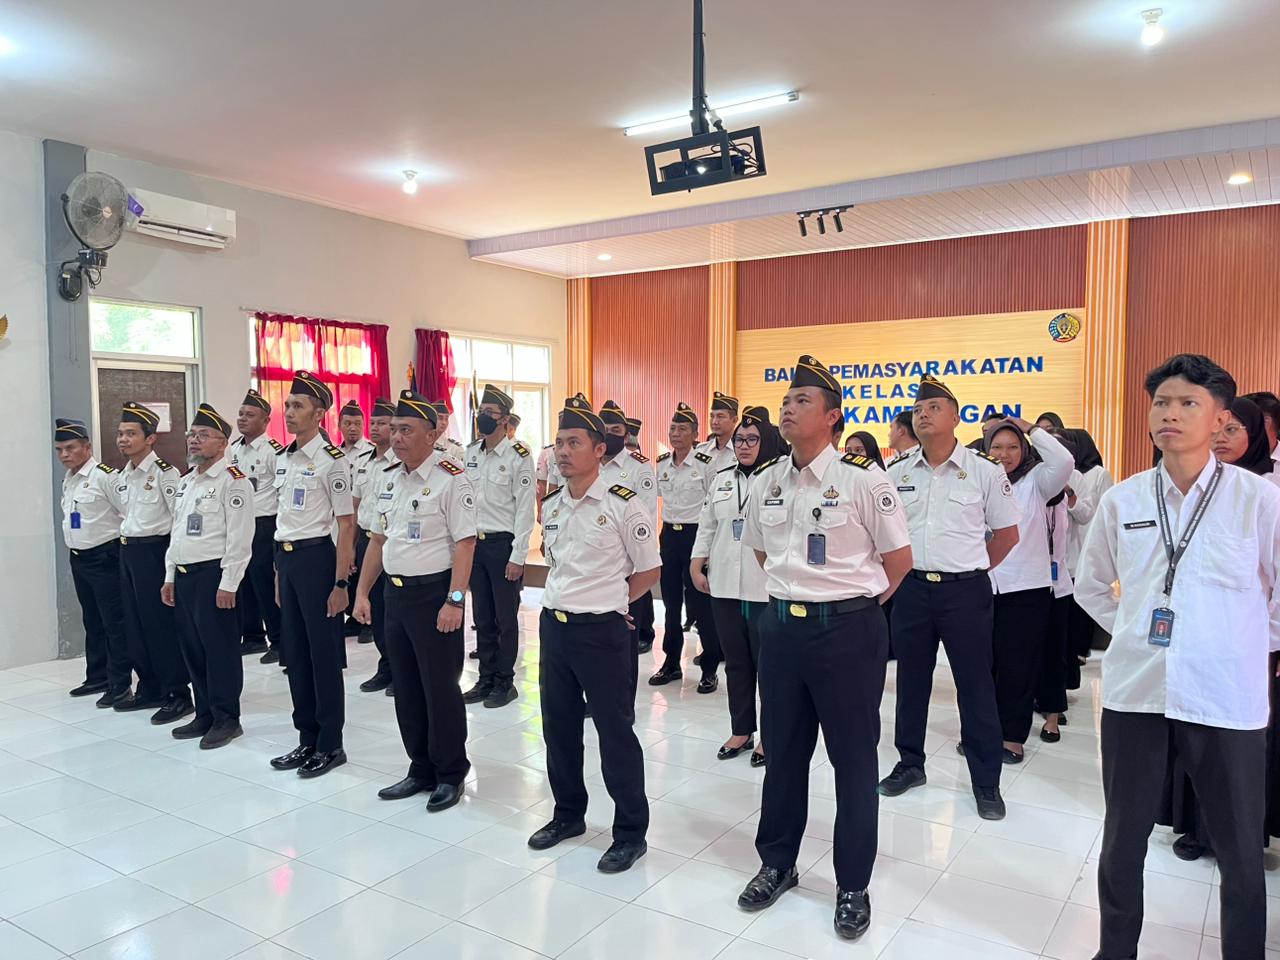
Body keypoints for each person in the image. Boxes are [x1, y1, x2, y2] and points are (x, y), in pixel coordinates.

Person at [1075, 353, 1280, 960]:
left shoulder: (1257, 500)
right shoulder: (1126, 500)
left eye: (1188, 403)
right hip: (1139, 691)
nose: (1170, 413)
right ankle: (1115, 951)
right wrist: (1135, 627)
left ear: (1220, 420)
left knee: (1241, 849)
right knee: (1122, 841)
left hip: (1226, 698)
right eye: (1162, 402)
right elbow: (1091, 585)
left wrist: (1242, 643)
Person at [736, 355, 912, 941]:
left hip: (849, 633)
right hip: (782, 630)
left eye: (803, 401)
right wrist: (798, 600)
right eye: (787, 400)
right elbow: (762, 552)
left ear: (833, 417)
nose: (788, 408)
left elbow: (899, 562)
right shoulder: (766, 481)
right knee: (781, 753)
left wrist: (849, 609)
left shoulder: (863, 479)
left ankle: (852, 883)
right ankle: (777, 862)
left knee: (853, 762)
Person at [526, 395, 660, 873]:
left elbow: (649, 569)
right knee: (558, 728)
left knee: (614, 733)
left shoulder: (624, 504)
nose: (562, 452)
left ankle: (630, 831)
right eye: (559, 443)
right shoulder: (554, 504)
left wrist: (616, 602)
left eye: (573, 443)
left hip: (603, 632)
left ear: (598, 450)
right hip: (555, 627)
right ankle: (568, 815)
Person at [879, 374, 1019, 820]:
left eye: (933, 407)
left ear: (956, 418)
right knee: (911, 681)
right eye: (919, 409)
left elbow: (1007, 535)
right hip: (913, 589)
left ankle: (986, 781)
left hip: (965, 591)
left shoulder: (983, 469)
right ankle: (910, 763)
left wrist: (971, 568)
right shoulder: (895, 472)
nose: (923, 414)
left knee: (975, 685)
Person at [1161, 395, 1279, 862]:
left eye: (1234, 430)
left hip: (1249, 648)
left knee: (1236, 752)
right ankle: (1194, 828)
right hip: (1188, 644)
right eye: (1219, 429)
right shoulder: (1186, 491)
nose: (1223, 439)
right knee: (1189, 736)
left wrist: (1261, 639)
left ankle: (1240, 837)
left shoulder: (1265, 494)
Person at [354, 390, 477, 810]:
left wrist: (455, 600)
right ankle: (419, 767)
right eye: (394, 429)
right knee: (405, 686)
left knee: (440, 688)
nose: (397, 436)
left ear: (432, 433)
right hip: (395, 594)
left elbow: (465, 544)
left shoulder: (451, 479)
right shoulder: (388, 477)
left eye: (407, 430)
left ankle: (449, 773)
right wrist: (363, 592)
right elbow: (377, 539)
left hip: (434, 595)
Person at [269, 371, 356, 779]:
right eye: (287, 405)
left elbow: (346, 524)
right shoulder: (285, 459)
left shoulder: (331, 463)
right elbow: (283, 520)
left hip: (318, 561)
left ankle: (330, 744)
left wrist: (341, 583)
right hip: (288, 562)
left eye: (298, 406)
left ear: (320, 414)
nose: (289, 412)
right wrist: (276, 573)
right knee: (296, 657)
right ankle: (305, 738)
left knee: (322, 658)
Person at [691, 405, 780, 767]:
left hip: (765, 588)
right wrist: (697, 562)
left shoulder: (779, 477)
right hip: (725, 585)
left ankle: (771, 737)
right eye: (740, 439)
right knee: (737, 664)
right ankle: (742, 730)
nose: (743, 446)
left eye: (752, 439)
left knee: (768, 667)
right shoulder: (723, 478)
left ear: (767, 441)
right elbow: (707, 523)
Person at [981, 417, 1074, 762]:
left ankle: (1012, 736)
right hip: (982, 586)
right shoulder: (976, 480)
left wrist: (1032, 428)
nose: (1004, 454)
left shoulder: (1038, 481)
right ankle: (980, 732)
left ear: (1025, 449)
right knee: (981, 667)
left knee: (1017, 667)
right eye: (996, 447)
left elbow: (1064, 461)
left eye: (1013, 446)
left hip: (1027, 590)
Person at [162, 403, 254, 749]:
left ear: (222, 444)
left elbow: (240, 538)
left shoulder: (234, 483)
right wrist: (170, 575)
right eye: (192, 435)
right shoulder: (187, 482)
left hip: (213, 577)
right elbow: (176, 533)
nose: (194, 441)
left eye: (203, 436)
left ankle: (227, 718)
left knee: (220, 651)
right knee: (193, 650)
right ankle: (204, 712)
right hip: (185, 576)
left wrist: (229, 582)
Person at [114, 401, 193, 723]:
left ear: (150, 439)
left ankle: (177, 693)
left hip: (154, 554)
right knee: (135, 626)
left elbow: (178, 524)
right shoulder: (123, 475)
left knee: (161, 627)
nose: (123, 440)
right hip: (128, 552)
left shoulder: (165, 474)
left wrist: (170, 573)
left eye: (131, 434)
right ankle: (150, 686)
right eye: (120, 433)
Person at [461, 384, 536, 709]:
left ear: (505, 419)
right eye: (482, 412)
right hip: (475, 546)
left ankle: (505, 681)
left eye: (490, 413)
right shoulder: (471, 453)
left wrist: (518, 555)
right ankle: (485, 677)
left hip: (503, 546)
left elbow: (524, 510)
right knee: (482, 617)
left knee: (506, 619)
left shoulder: (519, 456)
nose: (483, 418)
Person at [54, 418, 129, 704]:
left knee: (114, 623)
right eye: (59, 449)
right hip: (79, 558)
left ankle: (120, 683)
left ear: (87, 446)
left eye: (70, 448)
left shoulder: (105, 477)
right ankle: (97, 676)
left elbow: (128, 514)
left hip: (105, 556)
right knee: (93, 620)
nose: (64, 455)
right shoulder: (70, 478)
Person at [650, 402, 722, 690]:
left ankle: (709, 668)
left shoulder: (706, 465)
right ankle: (670, 663)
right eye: (672, 428)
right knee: (670, 605)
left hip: (696, 537)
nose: (675, 434)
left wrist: (707, 549)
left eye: (682, 429)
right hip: (669, 537)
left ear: (695, 434)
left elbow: (714, 508)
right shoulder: (662, 463)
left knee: (701, 605)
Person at [595, 401, 658, 663]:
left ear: (626, 433)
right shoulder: (590, 464)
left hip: (626, 561)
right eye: (605, 429)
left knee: (624, 636)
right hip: (596, 562)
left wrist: (638, 561)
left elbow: (647, 518)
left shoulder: (638, 467)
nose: (611, 434)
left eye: (616, 429)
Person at [230, 388, 286, 664]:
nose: (242, 419)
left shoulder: (273, 451)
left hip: (265, 523)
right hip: (239, 525)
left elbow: (283, 490)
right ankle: (252, 636)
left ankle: (278, 640)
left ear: (265, 421)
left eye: (250, 415)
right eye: (241, 414)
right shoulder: (231, 450)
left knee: (265, 583)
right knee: (242, 582)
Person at [1060, 428, 1115, 690]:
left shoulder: (1090, 476)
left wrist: (1070, 495)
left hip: (1082, 546)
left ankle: (1079, 652)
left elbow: (1092, 512)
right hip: (1055, 556)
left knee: (1078, 608)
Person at [350, 397, 398, 694]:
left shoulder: (401, 462)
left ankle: (399, 669)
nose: (377, 428)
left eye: (384, 424)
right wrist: (350, 550)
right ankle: (386, 665)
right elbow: (354, 509)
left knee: (393, 612)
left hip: (393, 545)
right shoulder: (363, 462)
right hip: (368, 541)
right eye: (374, 423)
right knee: (376, 611)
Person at [697, 391, 739, 474]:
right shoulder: (701, 450)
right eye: (712, 416)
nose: (714, 422)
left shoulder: (741, 451)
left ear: (734, 420)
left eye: (720, 416)